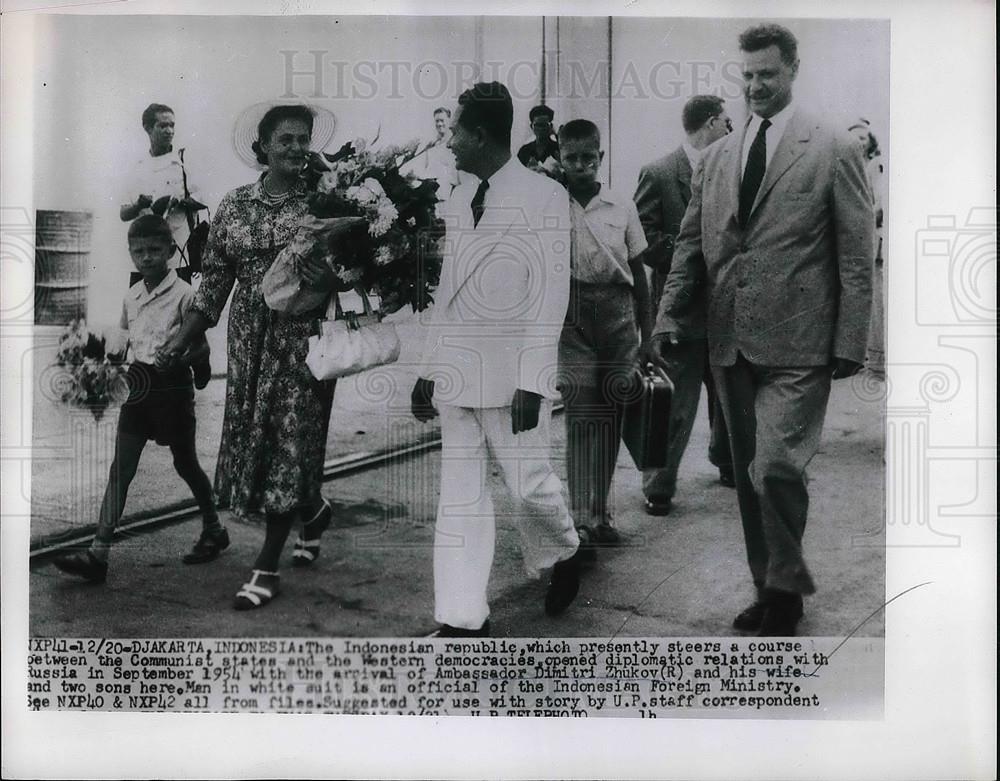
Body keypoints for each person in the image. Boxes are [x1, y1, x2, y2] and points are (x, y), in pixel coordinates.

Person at [642, 24, 874, 636]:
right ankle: (771, 588)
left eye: (766, 74)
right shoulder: (718, 157)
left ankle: (784, 591)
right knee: (749, 473)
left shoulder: (831, 147)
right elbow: (691, 244)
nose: (754, 86)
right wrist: (669, 313)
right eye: (746, 76)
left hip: (801, 342)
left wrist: (851, 341)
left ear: (792, 70)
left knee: (776, 466)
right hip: (729, 341)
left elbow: (856, 251)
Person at [411, 82, 582, 637]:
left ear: (482, 135)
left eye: (457, 130)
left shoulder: (545, 197)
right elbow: (447, 292)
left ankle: (563, 551)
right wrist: (426, 368)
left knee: (528, 484)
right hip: (458, 371)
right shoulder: (459, 198)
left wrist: (534, 381)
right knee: (460, 497)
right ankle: (462, 617)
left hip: (512, 378)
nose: (451, 140)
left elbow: (550, 296)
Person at [159, 104, 340, 610]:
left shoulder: (325, 201)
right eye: (286, 140)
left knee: (289, 440)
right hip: (248, 341)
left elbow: (347, 269)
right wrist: (184, 336)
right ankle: (313, 508)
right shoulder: (235, 205)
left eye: (303, 140)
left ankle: (266, 566)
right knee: (256, 438)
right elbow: (215, 279)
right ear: (262, 148)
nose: (298, 149)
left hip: (303, 339)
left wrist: (330, 274)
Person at [52, 215, 223, 583]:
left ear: (169, 251)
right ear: (131, 253)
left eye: (154, 250)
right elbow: (124, 340)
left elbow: (202, 348)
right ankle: (98, 553)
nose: (146, 258)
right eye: (139, 251)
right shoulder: (132, 295)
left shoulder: (184, 295)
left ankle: (213, 527)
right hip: (138, 384)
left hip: (173, 388)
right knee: (121, 469)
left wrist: (181, 356)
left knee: (185, 463)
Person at [634, 95, 735, 517]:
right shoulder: (658, 173)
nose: (731, 131)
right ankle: (658, 484)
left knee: (729, 394)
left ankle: (728, 463)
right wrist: (690, 254)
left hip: (726, 309)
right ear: (710, 123)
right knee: (674, 403)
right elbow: (643, 240)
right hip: (679, 310)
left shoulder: (733, 173)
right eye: (726, 123)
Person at [556, 118, 651, 545]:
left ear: (601, 158)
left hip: (617, 315)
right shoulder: (552, 205)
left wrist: (649, 337)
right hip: (572, 318)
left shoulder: (622, 206)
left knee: (610, 414)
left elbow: (640, 276)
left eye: (588, 158)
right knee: (580, 415)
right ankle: (578, 518)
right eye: (571, 158)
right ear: (559, 158)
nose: (580, 166)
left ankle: (600, 514)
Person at [120, 103, 212, 388]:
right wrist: (141, 204)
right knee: (142, 307)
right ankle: (146, 370)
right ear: (148, 128)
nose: (169, 130)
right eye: (162, 125)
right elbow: (124, 213)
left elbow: (203, 200)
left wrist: (177, 201)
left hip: (177, 251)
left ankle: (199, 359)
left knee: (185, 311)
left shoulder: (183, 162)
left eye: (172, 125)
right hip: (146, 251)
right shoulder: (137, 168)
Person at [848, 118, 886, 378]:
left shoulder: (875, 167)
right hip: (849, 243)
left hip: (868, 239)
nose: (858, 143)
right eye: (854, 139)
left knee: (872, 297)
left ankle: (876, 361)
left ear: (870, 142)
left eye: (863, 139)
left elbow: (879, 205)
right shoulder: (847, 166)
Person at [516, 104, 562, 179]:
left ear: (550, 126)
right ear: (531, 127)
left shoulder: (558, 149)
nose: (541, 129)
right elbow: (517, 175)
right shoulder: (524, 151)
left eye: (544, 125)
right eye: (537, 125)